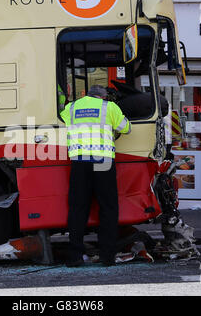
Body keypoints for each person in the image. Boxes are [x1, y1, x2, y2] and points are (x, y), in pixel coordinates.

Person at [60, 85, 131, 267]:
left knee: (77, 208)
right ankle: (107, 256)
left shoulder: (72, 107)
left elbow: (63, 119)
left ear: (87, 95)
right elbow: (126, 128)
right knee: (107, 208)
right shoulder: (109, 107)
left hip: (79, 162)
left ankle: (75, 256)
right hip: (103, 161)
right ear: (103, 96)